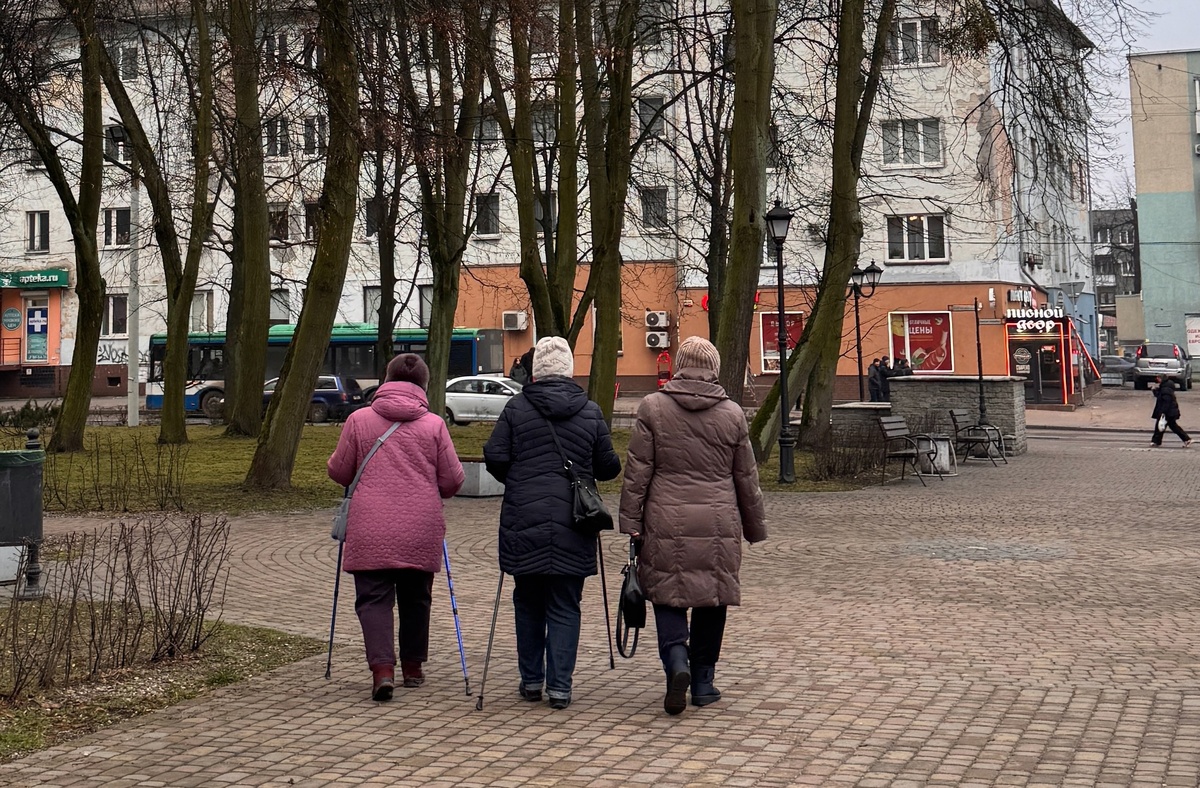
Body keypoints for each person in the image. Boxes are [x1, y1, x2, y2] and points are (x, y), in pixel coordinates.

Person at [619, 336, 767, 716]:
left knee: (668, 591)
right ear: (713, 369)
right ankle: (703, 682)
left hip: (665, 516)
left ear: (679, 365)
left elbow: (638, 472)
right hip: (719, 518)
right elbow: (745, 477)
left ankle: (676, 662)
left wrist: (631, 522)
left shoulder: (652, 407)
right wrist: (754, 526)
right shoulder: (732, 413)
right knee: (712, 595)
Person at [483, 336, 622, 710]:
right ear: (568, 370)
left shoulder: (516, 408)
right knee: (565, 603)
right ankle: (560, 687)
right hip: (574, 521)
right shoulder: (590, 410)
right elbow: (610, 467)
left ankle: (531, 681)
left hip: (523, 517)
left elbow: (494, 455)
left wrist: (518, 478)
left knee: (527, 601)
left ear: (536, 371)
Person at [327, 353, 465, 702]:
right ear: (423, 384)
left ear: (386, 380)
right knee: (416, 597)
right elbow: (452, 481)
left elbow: (340, 473)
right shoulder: (434, 424)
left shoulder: (358, 420)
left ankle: (382, 671)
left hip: (370, 525)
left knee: (373, 598)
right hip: (421, 524)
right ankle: (414, 667)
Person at [1150, 375, 1192, 448]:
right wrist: (1155, 390)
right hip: (1170, 411)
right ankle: (1186, 439)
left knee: (1161, 426)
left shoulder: (1165, 388)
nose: (1157, 379)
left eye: (1158, 378)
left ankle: (1156, 441)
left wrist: (1163, 412)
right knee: (1170, 426)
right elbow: (1160, 396)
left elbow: (1166, 401)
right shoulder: (1166, 386)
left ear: (1161, 379)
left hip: (1168, 412)